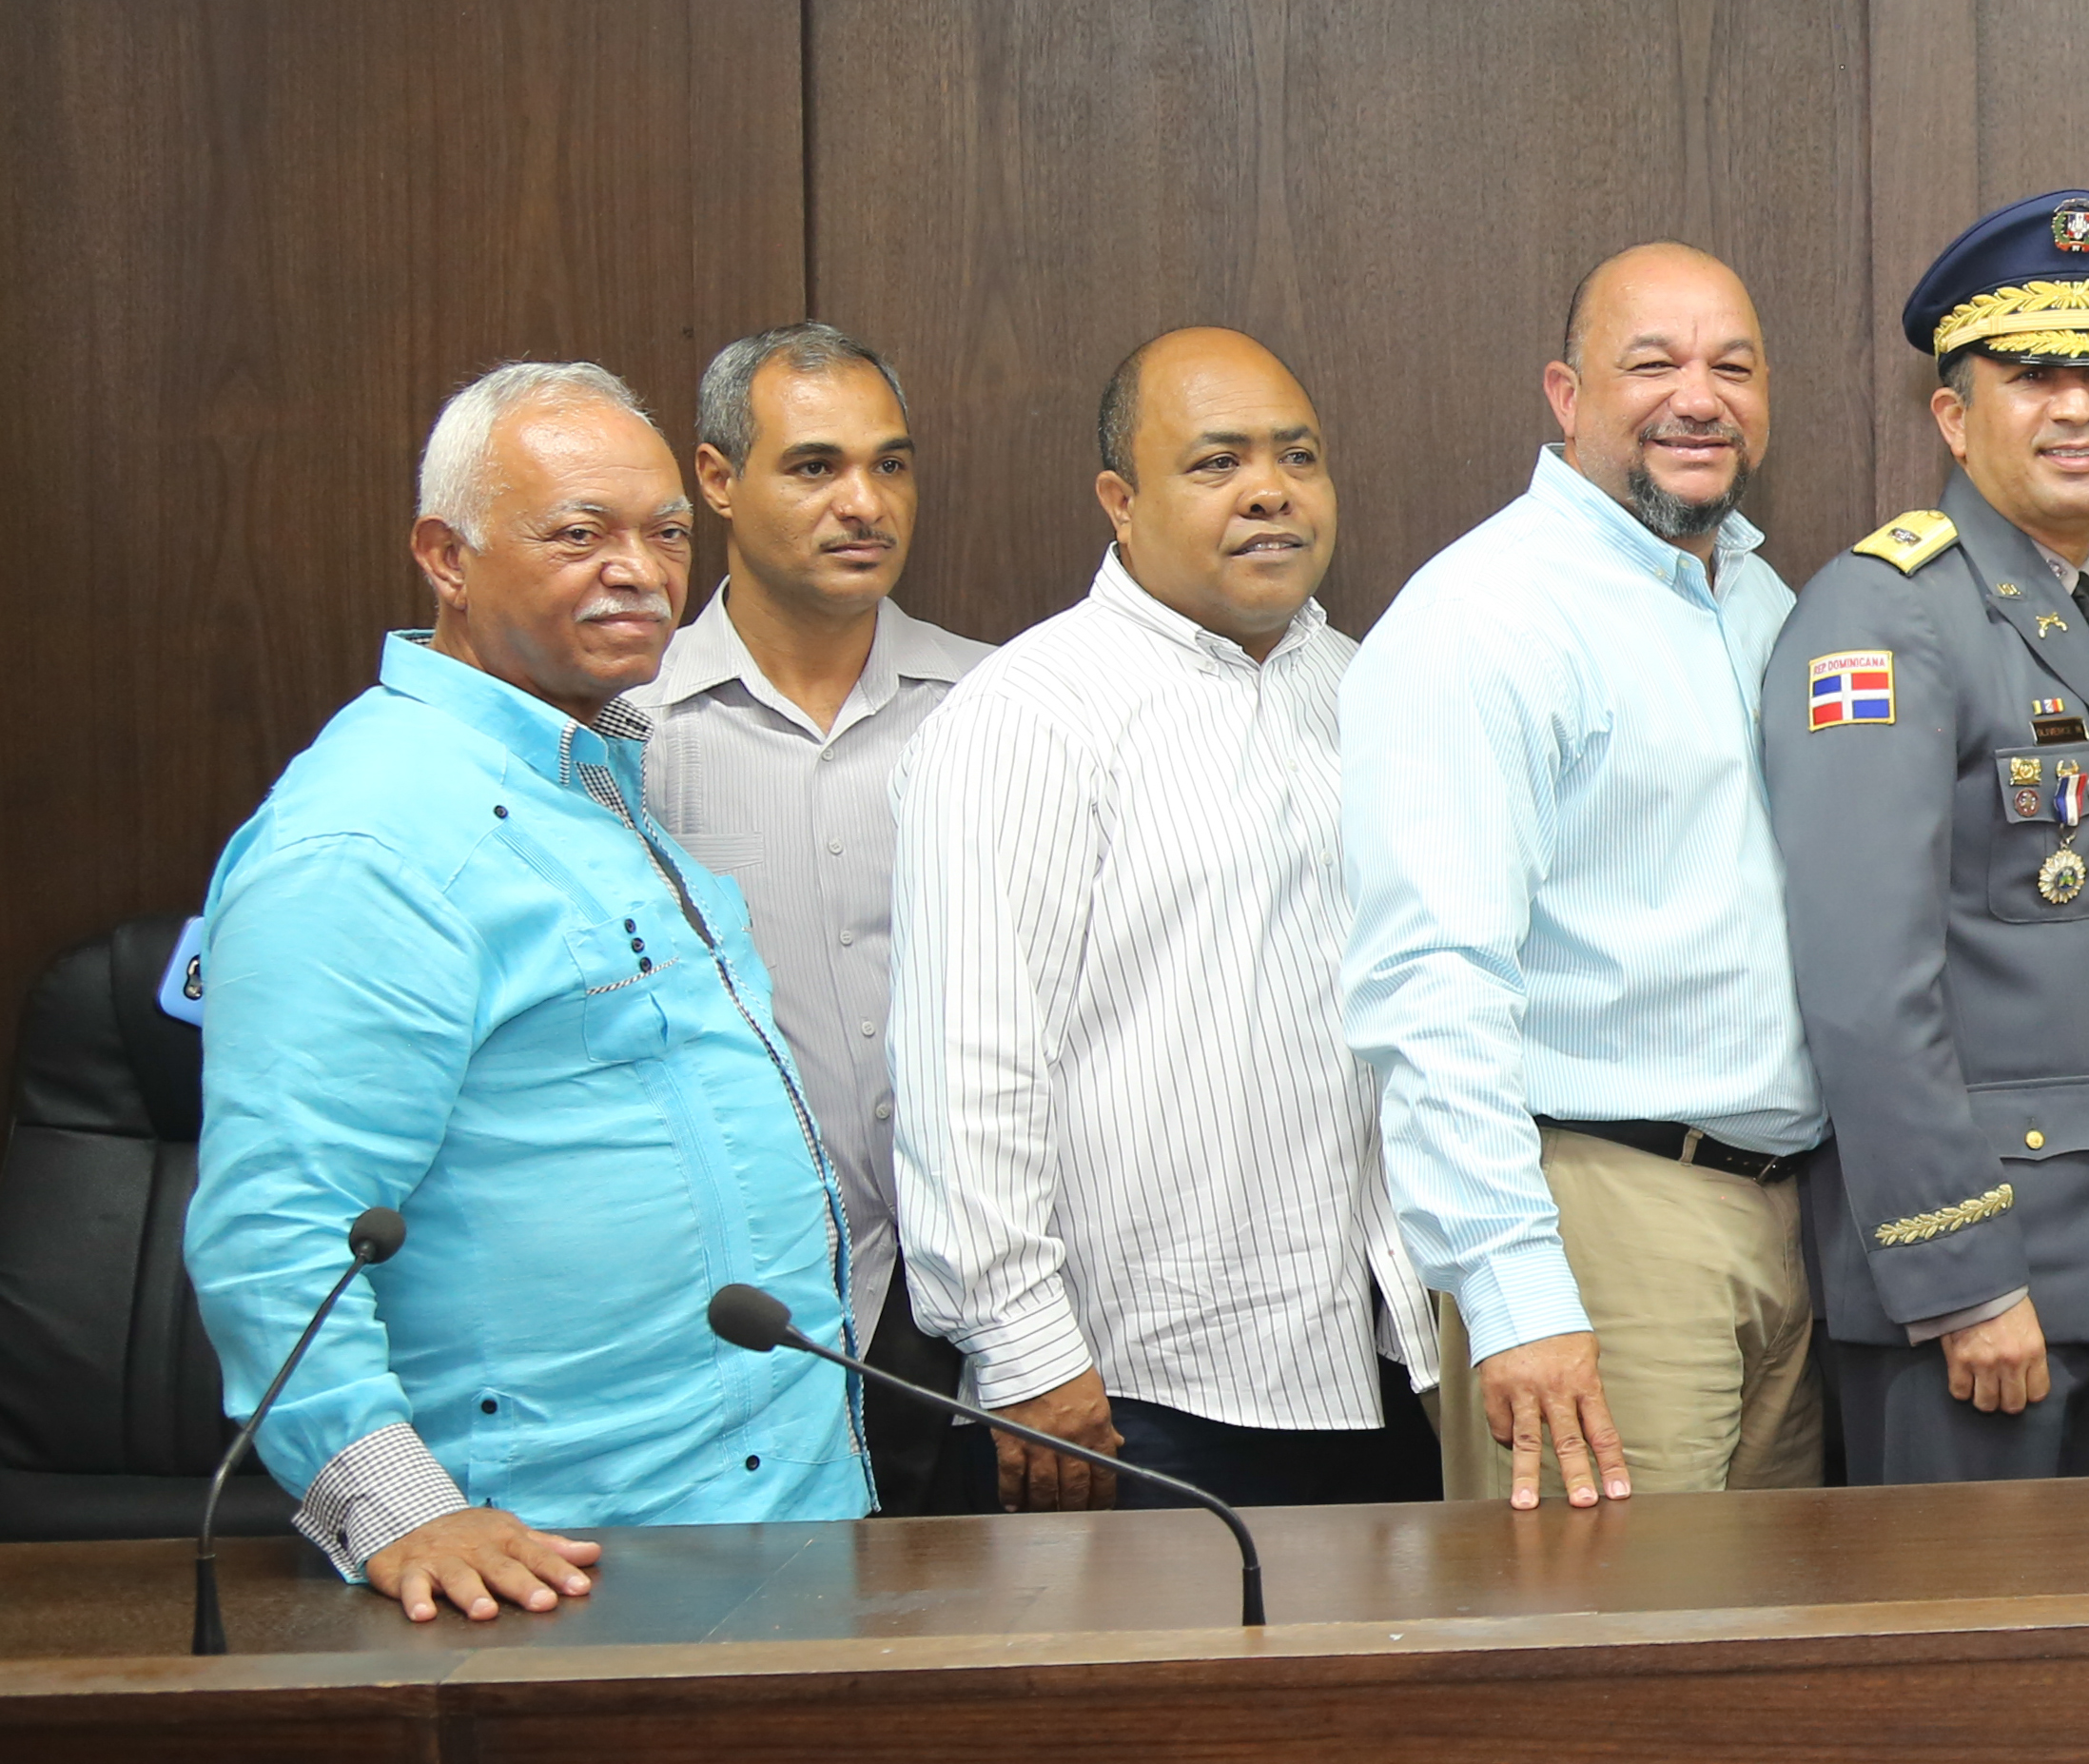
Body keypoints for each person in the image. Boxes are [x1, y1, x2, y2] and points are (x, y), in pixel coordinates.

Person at [183, 362, 865, 1619]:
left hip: (766, 1525)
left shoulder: (584, 775)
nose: (640, 570)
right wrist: (404, 1512)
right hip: (565, 1573)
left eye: (667, 532)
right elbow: (276, 1226)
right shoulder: (374, 836)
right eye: (578, 533)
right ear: (446, 557)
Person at [889, 329, 1438, 1510]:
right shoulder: (1027, 715)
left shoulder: (1368, 686)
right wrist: (1027, 1352)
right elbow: (966, 1067)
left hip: (1382, 1358)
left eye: (1298, 455)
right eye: (1216, 462)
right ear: (1120, 502)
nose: (1270, 490)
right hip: (1131, 1391)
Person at [1344, 245, 1825, 1510]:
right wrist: (1514, 1293)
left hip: (1781, 1228)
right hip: (1599, 1227)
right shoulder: (1486, 616)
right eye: (1651, 363)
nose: (1698, 398)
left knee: (1771, 1626)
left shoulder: (1759, 600)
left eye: (1732, 366)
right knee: (1614, 1626)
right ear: (1565, 395)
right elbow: (1431, 978)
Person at [1765, 191, 2089, 1483]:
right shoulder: (1885, 617)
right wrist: (1961, 1276)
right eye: (2034, 375)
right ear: (1952, 416)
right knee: (1964, 1616)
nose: (2077, 407)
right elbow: (1863, 987)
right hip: (1975, 1285)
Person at [642, 323, 994, 1516]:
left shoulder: (998, 706)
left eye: (890, 464)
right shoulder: (632, 732)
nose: (865, 503)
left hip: (979, 1303)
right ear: (716, 478)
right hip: (737, 1303)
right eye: (815, 466)